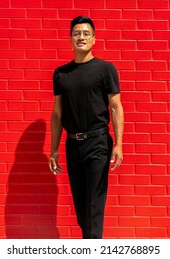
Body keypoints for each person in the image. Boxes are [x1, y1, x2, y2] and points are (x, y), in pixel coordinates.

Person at [48, 15, 124, 239]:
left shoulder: (105, 69)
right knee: (81, 209)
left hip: (98, 143)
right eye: (76, 33)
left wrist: (118, 145)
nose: (81, 37)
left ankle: (93, 251)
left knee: (94, 208)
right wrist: (54, 149)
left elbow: (116, 107)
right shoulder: (61, 74)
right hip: (72, 145)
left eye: (86, 33)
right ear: (70, 39)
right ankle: (88, 247)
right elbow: (56, 114)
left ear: (94, 39)